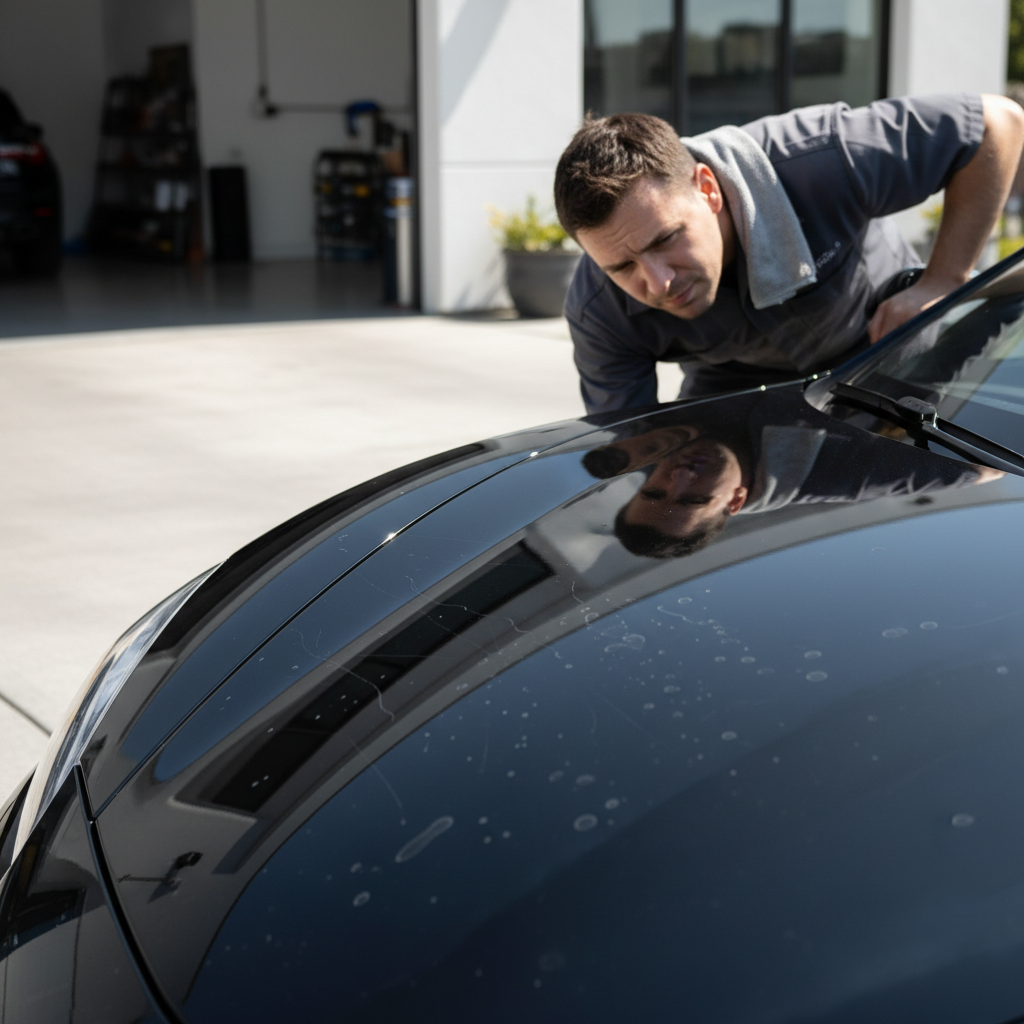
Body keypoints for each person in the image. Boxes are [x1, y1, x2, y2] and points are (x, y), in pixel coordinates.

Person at [554, 94, 1024, 415]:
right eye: (622, 266)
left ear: (707, 189)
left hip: (889, 342)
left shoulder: (822, 157)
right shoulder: (599, 308)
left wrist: (944, 279)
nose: (658, 282)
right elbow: (628, 444)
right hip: (735, 384)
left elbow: (998, 122)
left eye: (664, 240)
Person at [582, 391, 1004, 559]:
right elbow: (978, 468)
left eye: (654, 491)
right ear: (735, 502)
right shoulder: (836, 472)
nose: (678, 479)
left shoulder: (645, 442)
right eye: (694, 499)